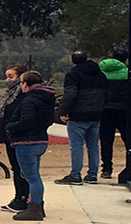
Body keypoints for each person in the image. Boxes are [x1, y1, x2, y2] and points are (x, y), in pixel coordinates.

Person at [6, 71, 57, 221]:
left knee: (31, 177)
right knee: (34, 175)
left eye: (22, 83)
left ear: (26, 84)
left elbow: (27, 120)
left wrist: (10, 127)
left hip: (26, 141)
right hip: (41, 140)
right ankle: (38, 206)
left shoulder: (29, 100)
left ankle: (34, 209)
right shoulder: (47, 99)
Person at [55, 51, 108, 185]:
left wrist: (63, 110)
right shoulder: (100, 75)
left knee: (76, 146)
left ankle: (75, 174)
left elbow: (71, 93)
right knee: (93, 146)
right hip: (96, 114)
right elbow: (107, 93)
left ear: (73, 61)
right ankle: (92, 174)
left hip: (78, 115)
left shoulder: (73, 75)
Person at [0, 63, 29, 213]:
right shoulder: (9, 94)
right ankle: (18, 196)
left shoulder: (22, 96)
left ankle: (23, 198)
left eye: (11, 76)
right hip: (9, 136)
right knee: (16, 167)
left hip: (17, 136)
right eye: (7, 76)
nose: (7, 80)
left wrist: (9, 128)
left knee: (22, 168)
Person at [99, 50, 130, 179]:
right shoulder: (127, 73)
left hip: (105, 110)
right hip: (124, 110)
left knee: (106, 141)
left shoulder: (102, 73)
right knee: (128, 140)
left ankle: (106, 168)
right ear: (125, 60)